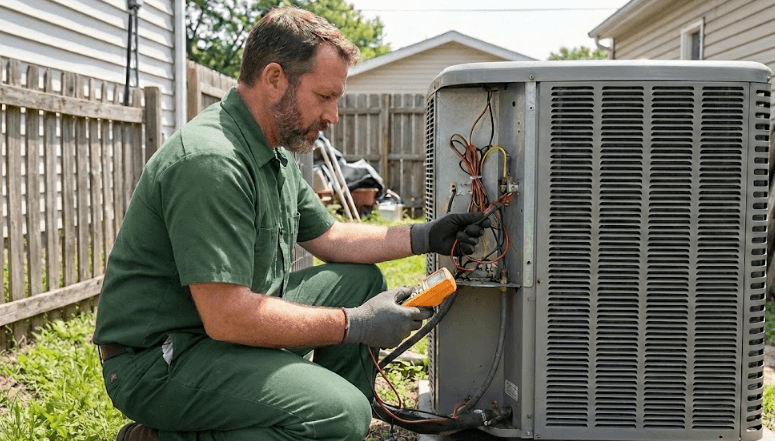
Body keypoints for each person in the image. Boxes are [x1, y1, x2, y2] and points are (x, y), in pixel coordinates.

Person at [93, 7, 487, 441]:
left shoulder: (273, 153)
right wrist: (355, 324)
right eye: (324, 97)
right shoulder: (212, 161)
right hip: (160, 359)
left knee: (357, 281)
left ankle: (333, 420)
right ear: (275, 78)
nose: (333, 115)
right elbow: (227, 318)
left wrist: (425, 235)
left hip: (217, 331)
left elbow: (332, 237)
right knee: (342, 414)